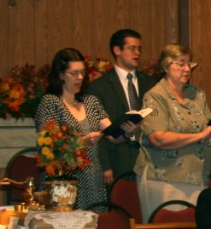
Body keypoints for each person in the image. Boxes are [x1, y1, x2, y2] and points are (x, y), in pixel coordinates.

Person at [135, 44, 211, 219]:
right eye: (181, 64)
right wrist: (200, 135)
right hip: (163, 177)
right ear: (166, 66)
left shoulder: (197, 94)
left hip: (197, 176)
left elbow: (208, 137)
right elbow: (158, 138)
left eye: (189, 64)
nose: (187, 69)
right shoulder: (155, 96)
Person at [35, 48, 136, 210]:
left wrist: (126, 132)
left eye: (82, 72)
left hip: (92, 179)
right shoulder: (50, 102)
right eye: (74, 73)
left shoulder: (91, 101)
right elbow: (48, 147)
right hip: (63, 181)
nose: (80, 77)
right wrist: (82, 141)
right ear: (60, 75)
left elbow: (112, 136)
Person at [88, 28, 157, 185]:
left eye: (139, 49)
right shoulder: (99, 87)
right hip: (118, 159)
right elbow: (97, 131)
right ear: (117, 50)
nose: (137, 53)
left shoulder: (151, 83)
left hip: (148, 158)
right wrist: (105, 166)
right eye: (132, 48)